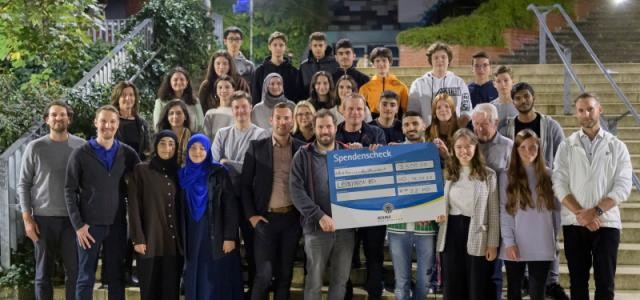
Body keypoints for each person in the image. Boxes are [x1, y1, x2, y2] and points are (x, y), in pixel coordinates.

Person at [552, 92, 633, 300]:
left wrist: (595, 212)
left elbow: (623, 186)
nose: (586, 114)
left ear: (600, 109)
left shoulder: (617, 146)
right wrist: (581, 214)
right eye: (581, 110)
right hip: (574, 222)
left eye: (590, 108)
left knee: (605, 283)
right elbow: (559, 184)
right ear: (576, 114)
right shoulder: (566, 146)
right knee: (578, 283)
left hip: (606, 224)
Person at [65, 105, 140, 300]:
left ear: (118, 125)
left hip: (117, 224)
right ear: (95, 123)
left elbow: (140, 183)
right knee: (85, 277)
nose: (108, 125)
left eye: (112, 122)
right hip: (89, 227)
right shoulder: (81, 153)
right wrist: (78, 226)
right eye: (104, 121)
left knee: (116, 277)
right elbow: (69, 190)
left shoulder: (128, 154)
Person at [18, 101, 85, 300]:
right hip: (42, 219)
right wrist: (27, 219)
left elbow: (88, 182)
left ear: (69, 119)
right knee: (42, 274)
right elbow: (23, 184)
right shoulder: (35, 147)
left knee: (74, 273)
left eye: (62, 114)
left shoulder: (80, 146)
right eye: (54, 115)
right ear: (47, 120)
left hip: (72, 221)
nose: (58, 118)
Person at [241, 103, 305, 300]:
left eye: (287, 118)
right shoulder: (256, 147)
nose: (282, 122)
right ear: (271, 120)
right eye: (278, 117)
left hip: (292, 221)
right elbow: (244, 185)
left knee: (285, 275)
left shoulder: (302, 149)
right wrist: (252, 216)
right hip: (265, 220)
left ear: (292, 121)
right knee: (264, 275)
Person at [290, 109, 355, 300]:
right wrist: (319, 216)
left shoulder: (348, 153)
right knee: (313, 282)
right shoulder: (303, 155)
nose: (325, 131)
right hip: (315, 229)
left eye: (328, 126)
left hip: (345, 230)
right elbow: (296, 192)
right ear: (314, 129)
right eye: (320, 127)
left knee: (340, 281)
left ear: (335, 127)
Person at [212, 91, 268, 295]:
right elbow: (215, 165)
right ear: (232, 110)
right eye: (236, 107)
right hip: (225, 199)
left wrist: (229, 163)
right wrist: (238, 165)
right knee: (225, 246)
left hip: (250, 200)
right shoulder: (222, 134)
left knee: (253, 249)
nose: (240, 111)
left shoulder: (261, 134)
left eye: (244, 106)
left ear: (250, 108)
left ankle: (254, 291)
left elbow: (258, 169)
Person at [435, 128, 499, 300]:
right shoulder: (448, 174)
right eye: (459, 147)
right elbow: (441, 204)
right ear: (453, 149)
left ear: (476, 147)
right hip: (451, 232)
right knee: (453, 285)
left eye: (468, 146)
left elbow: (493, 212)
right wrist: (438, 213)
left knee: (476, 286)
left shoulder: (489, 175)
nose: (464, 151)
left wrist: (492, 243)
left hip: (477, 232)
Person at [179, 134, 243, 300]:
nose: (198, 152)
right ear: (187, 150)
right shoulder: (182, 174)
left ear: (208, 151)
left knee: (214, 276)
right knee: (194, 272)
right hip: (191, 232)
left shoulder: (219, 172)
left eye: (202, 148)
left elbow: (230, 205)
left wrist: (230, 236)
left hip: (215, 231)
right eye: (193, 147)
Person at [335, 94, 386, 300]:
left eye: (359, 109)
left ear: (365, 110)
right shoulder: (334, 132)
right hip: (344, 207)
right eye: (350, 109)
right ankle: (345, 294)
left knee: (374, 255)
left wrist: (366, 153)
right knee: (344, 257)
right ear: (342, 110)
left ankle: (375, 294)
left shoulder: (376, 133)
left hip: (372, 206)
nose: (355, 113)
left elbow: (384, 165)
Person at [500, 129, 560, 300]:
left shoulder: (549, 175)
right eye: (523, 147)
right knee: (514, 290)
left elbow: (556, 213)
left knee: (538, 291)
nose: (528, 152)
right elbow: (505, 212)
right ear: (516, 150)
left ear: (539, 148)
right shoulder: (506, 176)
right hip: (515, 242)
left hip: (542, 240)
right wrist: (509, 242)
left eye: (533, 147)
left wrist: (553, 238)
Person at [387, 111, 438, 300]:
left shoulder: (433, 150)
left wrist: (430, 211)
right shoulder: (393, 151)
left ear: (423, 125)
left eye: (415, 123)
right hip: (397, 226)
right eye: (407, 125)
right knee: (401, 282)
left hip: (426, 226)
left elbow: (440, 184)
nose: (411, 128)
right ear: (402, 129)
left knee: (425, 282)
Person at [127, 130, 183, 300]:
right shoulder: (142, 170)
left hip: (174, 245)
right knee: (150, 291)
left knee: (170, 291)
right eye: (163, 143)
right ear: (155, 146)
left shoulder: (180, 172)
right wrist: (138, 238)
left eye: (172, 144)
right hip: (150, 241)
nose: (167, 148)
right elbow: (134, 206)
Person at [471, 103, 513, 300]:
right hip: (472, 217)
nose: (480, 128)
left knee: (494, 273)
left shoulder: (508, 146)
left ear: (496, 122)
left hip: (498, 216)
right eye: (476, 123)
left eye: (485, 123)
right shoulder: (468, 145)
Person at [501, 82, 565, 170]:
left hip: (544, 179)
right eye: (518, 98)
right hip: (517, 180)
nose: (523, 101)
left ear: (534, 97)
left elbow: (563, 157)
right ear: (513, 103)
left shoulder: (551, 127)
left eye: (526, 96)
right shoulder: (506, 129)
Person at [408, 42, 472, 127]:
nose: (440, 60)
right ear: (430, 60)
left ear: (449, 59)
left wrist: (456, 130)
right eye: (436, 57)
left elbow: (466, 111)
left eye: (443, 57)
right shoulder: (418, 84)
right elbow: (413, 112)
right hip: (427, 133)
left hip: (454, 133)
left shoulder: (459, 83)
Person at [252, 31, 301, 103]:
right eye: (275, 45)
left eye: (281, 45)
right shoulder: (260, 71)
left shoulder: (294, 72)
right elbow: (255, 96)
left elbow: (297, 96)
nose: (278, 48)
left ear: (285, 47)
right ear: (269, 47)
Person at [359, 47, 409, 118]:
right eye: (377, 61)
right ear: (373, 64)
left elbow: (406, 111)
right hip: (372, 123)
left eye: (384, 60)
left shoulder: (401, 87)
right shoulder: (365, 88)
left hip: (395, 123)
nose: (381, 64)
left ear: (390, 63)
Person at [153, 67, 204, 132]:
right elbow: (157, 126)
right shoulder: (160, 102)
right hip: (168, 139)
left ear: (187, 82)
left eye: (182, 79)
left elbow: (201, 125)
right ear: (170, 82)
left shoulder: (195, 101)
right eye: (175, 79)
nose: (179, 82)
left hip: (191, 138)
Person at [111, 81, 151, 161]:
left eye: (131, 95)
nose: (128, 98)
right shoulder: (110, 122)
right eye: (123, 95)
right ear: (117, 98)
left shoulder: (143, 124)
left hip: (137, 169)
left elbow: (147, 150)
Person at [298, 32, 339, 99]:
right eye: (315, 45)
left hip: (331, 104)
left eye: (320, 45)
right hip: (310, 105)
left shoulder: (335, 64)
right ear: (310, 47)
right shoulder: (304, 66)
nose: (318, 48)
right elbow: (300, 90)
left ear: (325, 46)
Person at [156, 100, 192, 165]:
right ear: (167, 117)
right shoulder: (159, 138)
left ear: (185, 116)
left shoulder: (193, 138)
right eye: (171, 113)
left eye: (179, 113)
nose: (175, 116)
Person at [203, 75, 236, 140]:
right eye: (220, 87)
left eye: (227, 87)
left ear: (233, 90)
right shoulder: (210, 113)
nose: (223, 90)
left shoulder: (238, 112)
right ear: (216, 91)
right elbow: (206, 138)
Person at [489, 65, 518, 131]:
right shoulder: (491, 107)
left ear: (513, 82)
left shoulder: (520, 105)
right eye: (498, 81)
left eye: (506, 80)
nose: (503, 84)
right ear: (494, 84)